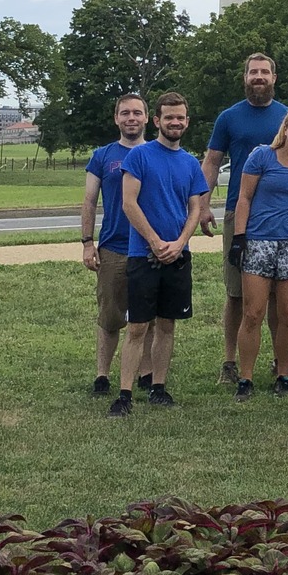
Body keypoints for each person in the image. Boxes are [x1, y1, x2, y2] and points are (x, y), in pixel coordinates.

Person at [113, 92, 210, 417]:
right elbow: (129, 203)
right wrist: (154, 241)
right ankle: (125, 394)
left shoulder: (190, 163)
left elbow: (196, 207)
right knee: (138, 327)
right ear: (157, 121)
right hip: (144, 255)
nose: (175, 122)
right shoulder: (140, 157)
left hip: (177, 256)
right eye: (169, 117)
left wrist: (180, 242)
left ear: (187, 121)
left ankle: (159, 387)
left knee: (167, 324)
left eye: (180, 117)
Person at [202, 55, 288, 385]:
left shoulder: (286, 117)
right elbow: (212, 162)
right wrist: (202, 204)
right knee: (237, 294)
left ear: (274, 78)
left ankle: (280, 359)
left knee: (277, 295)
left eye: (264, 72)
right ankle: (229, 361)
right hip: (237, 214)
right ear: (245, 78)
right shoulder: (229, 118)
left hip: (279, 216)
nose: (259, 77)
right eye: (253, 72)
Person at [229, 105, 288, 402]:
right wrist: (239, 238)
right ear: (286, 128)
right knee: (253, 313)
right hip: (258, 241)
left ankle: (283, 373)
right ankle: (246, 377)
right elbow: (244, 197)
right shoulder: (261, 156)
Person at [80, 93, 151, 398]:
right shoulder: (103, 156)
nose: (131, 118)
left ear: (147, 118)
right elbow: (89, 201)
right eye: (125, 113)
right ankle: (102, 375)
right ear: (116, 119)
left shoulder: (157, 153)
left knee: (149, 315)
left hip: (150, 247)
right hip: (113, 247)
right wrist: (87, 243)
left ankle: (146, 374)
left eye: (137, 112)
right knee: (110, 316)